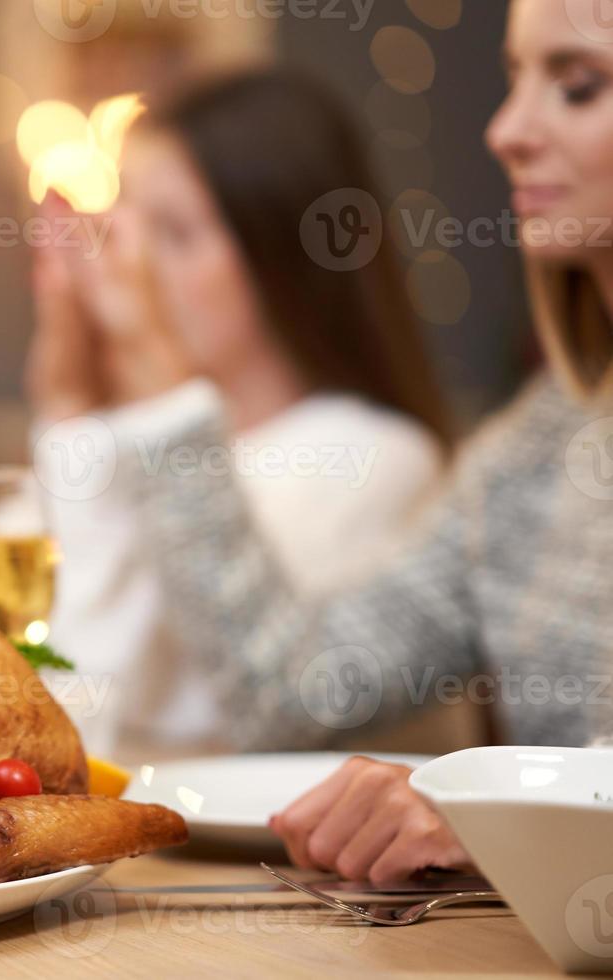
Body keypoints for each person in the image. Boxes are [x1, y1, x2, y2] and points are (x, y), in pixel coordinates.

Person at [44, 0, 613, 882]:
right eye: (512, 80)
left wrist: (504, 813)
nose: (505, 130)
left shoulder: (373, 455)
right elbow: (291, 695)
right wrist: (86, 395)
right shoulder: (532, 452)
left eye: (579, 87)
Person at [29, 70, 455, 754]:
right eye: (126, 224)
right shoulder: (140, 438)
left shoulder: (371, 457)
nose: (130, 265)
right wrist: (72, 406)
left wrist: (129, 389)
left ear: (278, 255)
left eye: (174, 231)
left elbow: (128, 715)